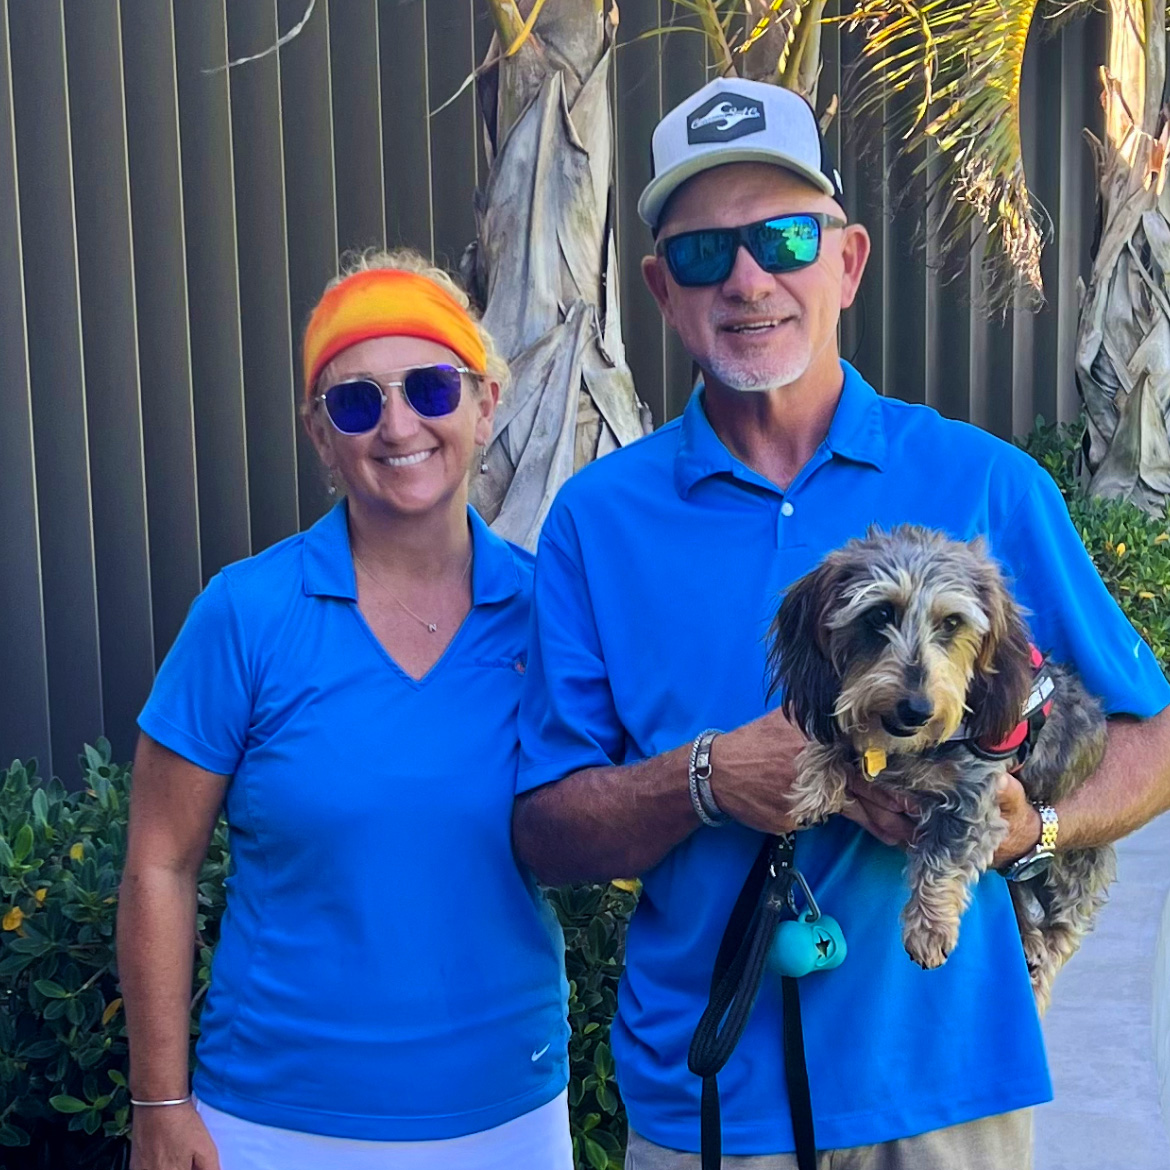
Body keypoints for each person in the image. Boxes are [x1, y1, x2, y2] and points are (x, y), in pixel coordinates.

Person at [512, 77, 1170, 1170]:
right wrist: (707, 779)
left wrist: (1033, 828)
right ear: (659, 291)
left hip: (947, 1097)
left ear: (849, 261)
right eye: (704, 254)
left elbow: (1152, 736)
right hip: (708, 1097)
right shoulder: (596, 522)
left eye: (783, 238)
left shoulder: (984, 483)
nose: (750, 280)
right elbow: (545, 831)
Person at [117, 249, 572, 1170]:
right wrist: (160, 1102)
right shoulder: (245, 615)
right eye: (357, 402)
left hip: (507, 1117)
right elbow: (160, 863)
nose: (398, 423)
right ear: (322, 437)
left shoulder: (550, 614)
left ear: (486, 405)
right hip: (273, 1123)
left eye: (432, 388)